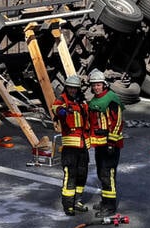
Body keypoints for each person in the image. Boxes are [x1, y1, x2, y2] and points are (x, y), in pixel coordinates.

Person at [86, 70, 123, 218]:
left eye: (99, 85)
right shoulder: (95, 100)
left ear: (104, 84)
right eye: (94, 85)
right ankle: (105, 201)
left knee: (109, 175)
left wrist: (111, 143)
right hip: (100, 144)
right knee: (102, 174)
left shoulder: (111, 99)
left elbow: (117, 121)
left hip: (110, 144)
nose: (96, 87)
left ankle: (110, 206)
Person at [52, 74, 90, 216]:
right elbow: (56, 108)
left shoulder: (82, 101)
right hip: (70, 146)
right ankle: (68, 204)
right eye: (70, 88)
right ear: (66, 88)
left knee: (82, 174)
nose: (72, 90)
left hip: (83, 144)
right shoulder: (62, 99)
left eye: (75, 88)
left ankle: (77, 201)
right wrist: (63, 111)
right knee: (70, 175)